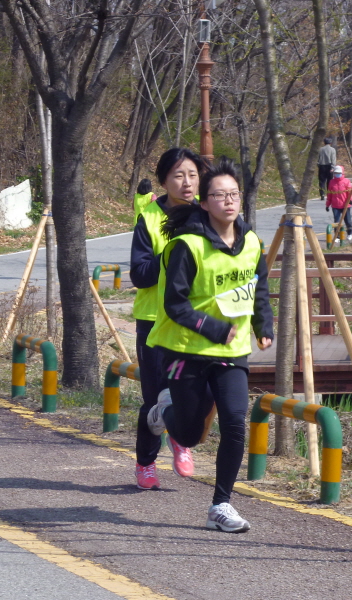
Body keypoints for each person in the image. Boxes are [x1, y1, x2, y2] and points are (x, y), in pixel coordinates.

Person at [145, 157, 274, 533]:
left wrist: (263, 324)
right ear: (204, 202)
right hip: (185, 349)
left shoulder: (251, 242)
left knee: (235, 422)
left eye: (234, 194)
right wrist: (215, 328)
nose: (229, 201)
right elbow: (175, 304)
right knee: (188, 434)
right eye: (219, 195)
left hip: (231, 353)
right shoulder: (186, 245)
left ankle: (220, 505)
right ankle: (162, 412)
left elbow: (259, 288)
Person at [130, 148, 208, 490]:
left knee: (195, 392)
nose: (187, 182)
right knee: (154, 398)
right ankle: (146, 462)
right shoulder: (149, 218)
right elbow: (139, 273)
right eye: (178, 175)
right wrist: (172, 260)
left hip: (195, 320)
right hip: (154, 321)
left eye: (192, 174)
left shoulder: (208, 211)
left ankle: (180, 438)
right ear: (164, 181)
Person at [326, 165, 352, 242]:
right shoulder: (331, 182)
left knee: (347, 220)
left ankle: (349, 233)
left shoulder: (346, 181)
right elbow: (329, 194)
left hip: (345, 205)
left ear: (342, 173)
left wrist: (350, 199)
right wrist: (327, 204)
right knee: (336, 221)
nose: (337, 174)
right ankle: (337, 236)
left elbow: (350, 192)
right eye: (335, 173)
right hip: (335, 205)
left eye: (338, 173)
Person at [318, 137, 337, 202]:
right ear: (330, 143)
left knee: (322, 181)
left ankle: (322, 194)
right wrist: (332, 167)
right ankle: (329, 194)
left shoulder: (320, 149)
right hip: (329, 166)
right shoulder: (332, 149)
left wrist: (319, 165)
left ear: (324, 142)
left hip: (322, 166)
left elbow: (318, 159)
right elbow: (333, 159)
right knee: (330, 181)